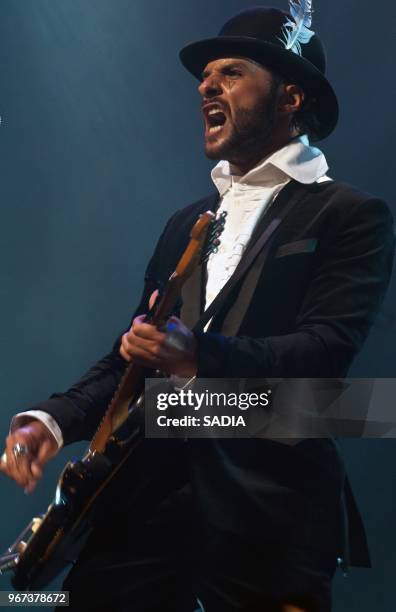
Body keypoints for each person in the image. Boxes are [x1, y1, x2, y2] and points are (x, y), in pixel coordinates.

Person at [1, 5, 394, 612]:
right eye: (205, 78)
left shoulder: (348, 214)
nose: (207, 86)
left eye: (231, 73)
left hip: (264, 515)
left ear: (291, 97)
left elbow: (327, 355)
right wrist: (50, 420)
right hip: (140, 504)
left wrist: (198, 355)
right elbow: (131, 357)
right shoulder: (188, 223)